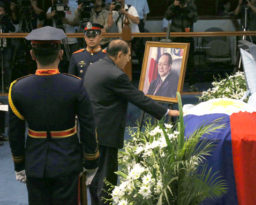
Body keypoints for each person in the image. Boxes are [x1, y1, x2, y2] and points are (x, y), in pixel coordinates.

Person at [8, 26, 99, 205]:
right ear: (60, 54)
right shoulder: (75, 86)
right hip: (68, 161)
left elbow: (15, 133)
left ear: (32, 55)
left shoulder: (17, 88)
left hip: (34, 162)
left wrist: (19, 164)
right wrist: (91, 161)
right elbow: (88, 126)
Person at [83, 39, 180, 205]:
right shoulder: (116, 75)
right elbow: (139, 99)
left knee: (95, 177)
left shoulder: (95, 66)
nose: (129, 60)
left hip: (91, 129)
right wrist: (167, 112)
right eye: (128, 56)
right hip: (107, 132)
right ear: (119, 54)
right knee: (107, 179)